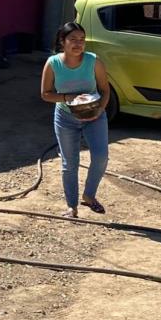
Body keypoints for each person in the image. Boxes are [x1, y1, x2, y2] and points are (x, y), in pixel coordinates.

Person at [40, 22, 110, 218]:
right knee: (69, 162)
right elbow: (46, 94)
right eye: (73, 39)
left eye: (82, 40)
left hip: (94, 115)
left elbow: (105, 90)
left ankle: (89, 196)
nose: (78, 44)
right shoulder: (53, 63)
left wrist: (99, 110)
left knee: (101, 156)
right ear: (63, 42)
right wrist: (67, 98)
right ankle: (72, 206)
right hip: (65, 117)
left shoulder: (93, 61)